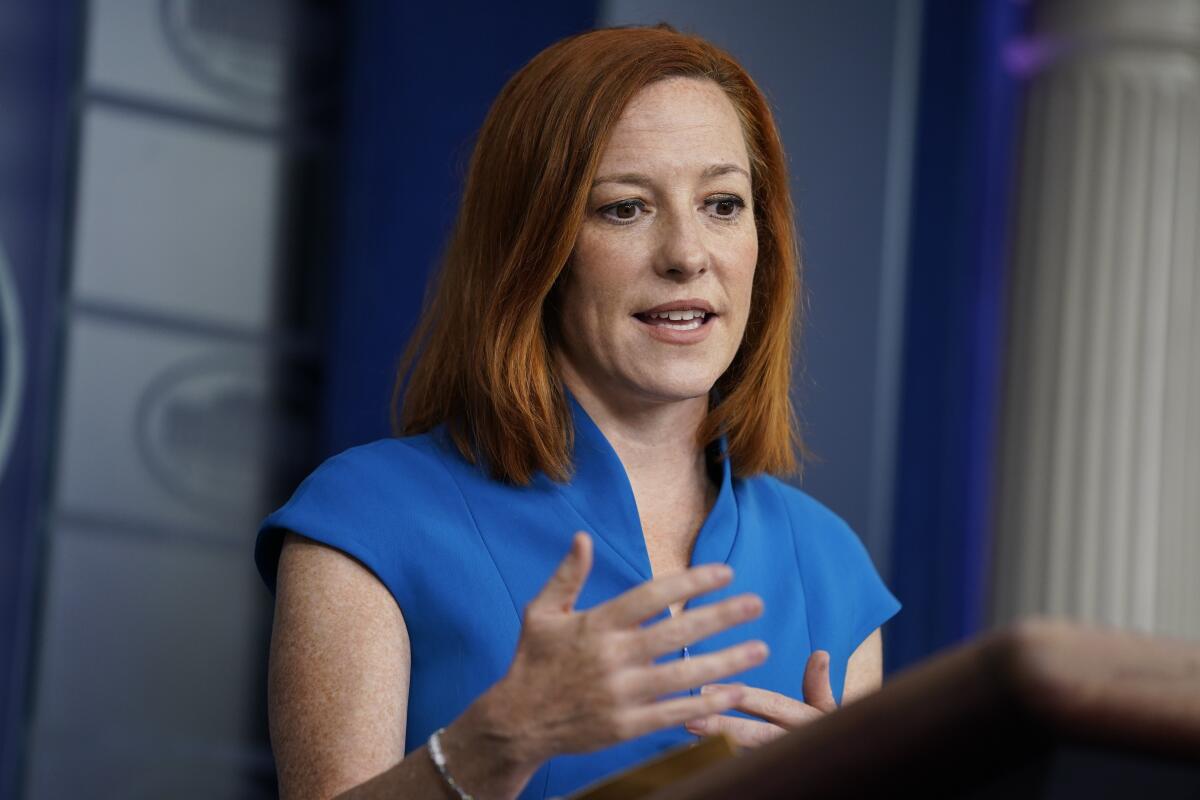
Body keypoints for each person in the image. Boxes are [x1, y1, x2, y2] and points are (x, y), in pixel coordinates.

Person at [254, 23, 901, 800]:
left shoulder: (829, 564)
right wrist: (498, 742)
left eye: (723, 204)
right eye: (625, 209)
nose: (689, 254)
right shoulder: (367, 517)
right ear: (534, 248)